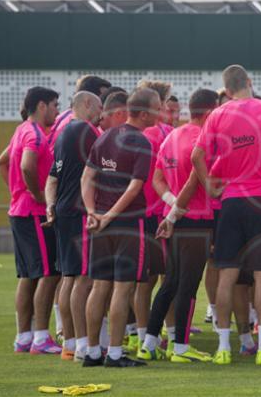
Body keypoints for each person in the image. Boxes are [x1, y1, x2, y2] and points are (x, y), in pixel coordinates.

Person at [189, 65, 261, 365]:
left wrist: (210, 186)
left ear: (225, 91)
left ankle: (224, 347)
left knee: (227, 274)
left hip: (231, 202)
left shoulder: (218, 114)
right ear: (249, 82)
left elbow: (196, 155)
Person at [136, 88, 220, 363]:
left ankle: (148, 343)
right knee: (187, 286)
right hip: (194, 219)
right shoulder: (203, 139)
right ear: (209, 112)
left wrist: (170, 204)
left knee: (170, 283)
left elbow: (157, 177)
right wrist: (176, 211)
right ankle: (181, 348)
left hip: (174, 217)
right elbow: (196, 179)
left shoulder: (172, 136)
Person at [80, 88, 159, 367]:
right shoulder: (142, 142)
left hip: (100, 221)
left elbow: (87, 176)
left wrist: (93, 212)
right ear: (145, 113)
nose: (160, 114)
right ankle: (113, 353)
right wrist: (110, 215)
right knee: (122, 289)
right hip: (126, 224)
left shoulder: (106, 136)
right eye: (157, 109)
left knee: (99, 286)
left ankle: (91, 352)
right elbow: (135, 186)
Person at [1, 87, 61, 354]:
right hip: (34, 213)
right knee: (48, 274)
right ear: (41, 105)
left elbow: (0, 163)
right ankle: (40, 338)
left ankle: (23, 337)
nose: (57, 111)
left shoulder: (21, 129)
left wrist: (17, 192)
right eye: (54, 105)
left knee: (28, 275)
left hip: (19, 211)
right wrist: (36, 195)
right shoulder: (35, 134)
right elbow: (26, 165)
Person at [44, 91, 103, 361]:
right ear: (88, 104)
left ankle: (69, 341)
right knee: (83, 278)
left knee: (68, 277)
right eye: (100, 107)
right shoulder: (88, 131)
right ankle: (82, 344)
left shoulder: (62, 134)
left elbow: (52, 179)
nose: (101, 113)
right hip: (80, 212)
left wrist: (50, 206)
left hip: (63, 211)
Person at [127, 80, 174, 353]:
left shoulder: (132, 134)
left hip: (139, 213)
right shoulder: (163, 133)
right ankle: (167, 337)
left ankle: (143, 335)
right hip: (159, 213)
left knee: (143, 281)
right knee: (167, 278)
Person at [47, 76, 111, 153]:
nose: (104, 107)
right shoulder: (78, 125)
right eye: (103, 99)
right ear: (88, 101)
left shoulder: (66, 117)